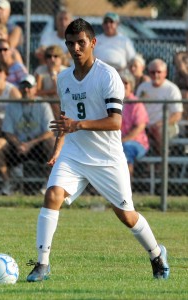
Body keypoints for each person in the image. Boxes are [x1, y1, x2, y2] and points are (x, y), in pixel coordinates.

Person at [26, 18, 169, 282]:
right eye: (70, 44)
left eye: (81, 43)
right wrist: (59, 149)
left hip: (107, 157)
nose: (76, 48)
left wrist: (77, 125)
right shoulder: (64, 77)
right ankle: (42, 264)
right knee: (52, 195)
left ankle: (156, 253)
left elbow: (115, 121)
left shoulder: (108, 75)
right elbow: (64, 119)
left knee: (125, 215)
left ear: (93, 43)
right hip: (75, 153)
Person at [0, 74, 55, 195]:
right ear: (19, 88)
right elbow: (7, 131)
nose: (26, 90)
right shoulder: (12, 105)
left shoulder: (43, 105)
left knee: (53, 142)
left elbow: (49, 131)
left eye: (29, 86)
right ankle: (8, 183)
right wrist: (19, 144)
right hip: (17, 146)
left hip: (37, 146)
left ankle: (48, 184)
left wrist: (30, 144)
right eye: (23, 86)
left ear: (35, 88)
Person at [136, 58, 183, 155]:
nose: (156, 75)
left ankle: (162, 163)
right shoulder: (143, 87)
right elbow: (137, 109)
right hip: (145, 125)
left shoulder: (172, 89)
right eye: (153, 72)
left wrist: (159, 124)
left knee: (158, 131)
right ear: (149, 72)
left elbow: (177, 114)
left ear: (165, 73)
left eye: (159, 72)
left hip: (167, 126)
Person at [120, 69, 149, 177]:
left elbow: (140, 126)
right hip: (116, 141)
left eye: (126, 83)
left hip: (136, 142)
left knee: (125, 149)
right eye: (120, 82)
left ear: (131, 85)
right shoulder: (112, 103)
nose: (123, 85)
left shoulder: (136, 103)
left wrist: (123, 140)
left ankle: (127, 188)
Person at [36, 45, 67, 119]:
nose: (52, 59)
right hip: (46, 101)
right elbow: (36, 91)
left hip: (63, 101)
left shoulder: (66, 72)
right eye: (49, 56)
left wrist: (54, 76)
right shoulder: (40, 70)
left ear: (61, 58)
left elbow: (60, 92)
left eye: (55, 56)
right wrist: (51, 92)